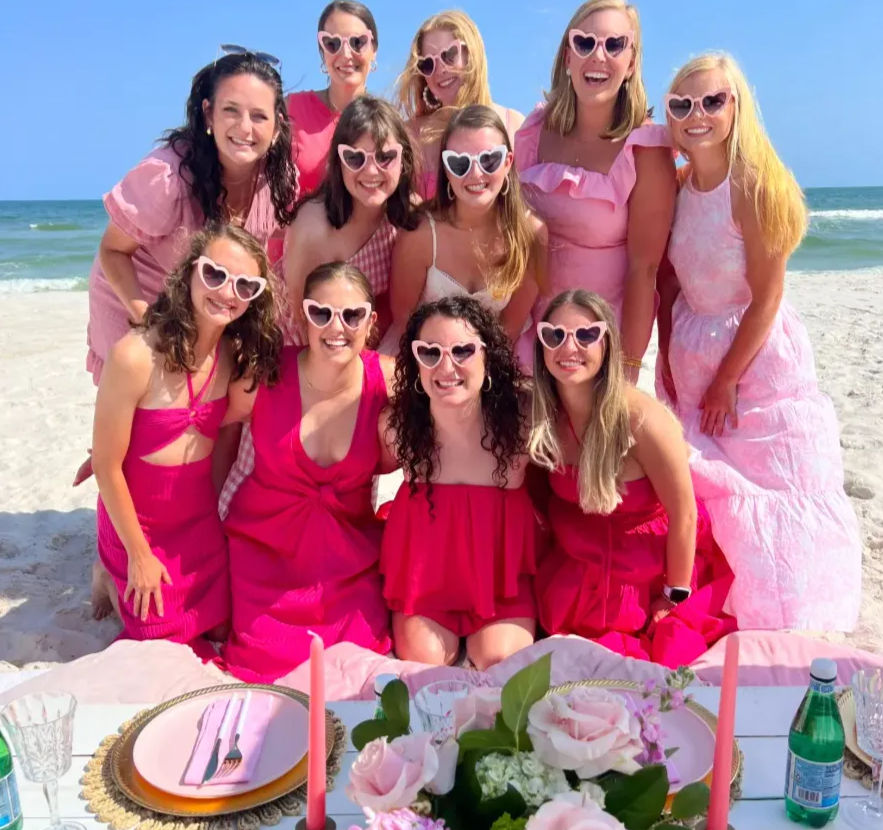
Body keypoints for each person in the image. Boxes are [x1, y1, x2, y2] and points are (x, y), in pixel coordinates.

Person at [657, 53, 861, 631]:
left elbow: (768, 295)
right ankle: (719, 611)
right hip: (692, 347)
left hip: (754, 355)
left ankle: (777, 618)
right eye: (682, 104)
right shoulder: (679, 182)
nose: (697, 114)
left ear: (736, 106)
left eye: (712, 101)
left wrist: (726, 380)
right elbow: (671, 278)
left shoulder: (754, 183)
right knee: (707, 482)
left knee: (767, 483)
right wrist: (670, 350)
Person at [91, 224, 281, 658]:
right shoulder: (135, 355)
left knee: (226, 632)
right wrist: (139, 556)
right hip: (138, 528)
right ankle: (108, 568)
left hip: (197, 524)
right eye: (215, 274)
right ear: (190, 273)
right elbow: (107, 465)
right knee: (160, 644)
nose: (227, 292)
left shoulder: (234, 356)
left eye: (245, 285)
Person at [529, 289, 735, 668]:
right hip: (579, 558)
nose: (568, 346)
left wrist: (674, 595)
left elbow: (684, 514)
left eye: (585, 334)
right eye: (554, 335)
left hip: (649, 565)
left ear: (606, 343)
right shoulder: (544, 417)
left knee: (655, 662)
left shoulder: (641, 419)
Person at [219, 261, 395, 682]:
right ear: (303, 315)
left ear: (371, 321)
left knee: (358, 666)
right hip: (264, 558)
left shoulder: (389, 380)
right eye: (322, 313)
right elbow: (201, 428)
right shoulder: (263, 376)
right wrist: (119, 451)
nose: (337, 327)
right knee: (264, 664)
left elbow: (461, 409)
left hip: (350, 563)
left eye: (352, 315)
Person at [86, 51, 296, 384]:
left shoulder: (279, 180)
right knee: (147, 414)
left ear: (277, 125)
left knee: (204, 409)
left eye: (259, 116)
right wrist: (152, 326)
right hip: (136, 298)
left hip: (208, 300)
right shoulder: (168, 178)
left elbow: (268, 258)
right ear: (209, 114)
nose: (245, 127)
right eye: (231, 110)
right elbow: (112, 251)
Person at [514, 0, 675, 378]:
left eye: (614, 44)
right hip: (530, 329)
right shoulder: (534, 130)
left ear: (631, 62)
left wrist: (629, 367)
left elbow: (644, 268)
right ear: (568, 56)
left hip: (599, 338)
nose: (598, 56)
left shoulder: (646, 149)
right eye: (585, 43)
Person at [380, 297, 537, 670]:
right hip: (423, 580)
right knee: (426, 665)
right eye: (430, 352)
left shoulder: (526, 420)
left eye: (463, 350)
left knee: (499, 662)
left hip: (501, 582)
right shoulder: (394, 427)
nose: (446, 366)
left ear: (488, 355)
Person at [385, 105, 544, 352]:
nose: (476, 173)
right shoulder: (421, 234)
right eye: (459, 163)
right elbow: (404, 320)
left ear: (508, 162)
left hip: (495, 361)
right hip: (419, 356)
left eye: (489, 160)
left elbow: (509, 329)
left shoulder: (531, 234)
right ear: (446, 170)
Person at [285, 95, 419, 341]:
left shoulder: (410, 217)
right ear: (339, 162)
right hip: (308, 349)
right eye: (355, 158)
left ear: (404, 160)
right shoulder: (313, 226)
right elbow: (298, 320)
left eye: (385, 157)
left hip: (370, 347)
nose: (370, 170)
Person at [396, 10, 524, 201]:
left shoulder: (513, 124)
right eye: (428, 64)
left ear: (471, 53)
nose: (441, 69)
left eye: (449, 55)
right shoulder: (410, 135)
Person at [288, 1, 378, 196]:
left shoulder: (386, 122)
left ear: (374, 51)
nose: (346, 54)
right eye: (332, 43)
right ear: (323, 52)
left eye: (357, 42)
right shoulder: (291, 109)